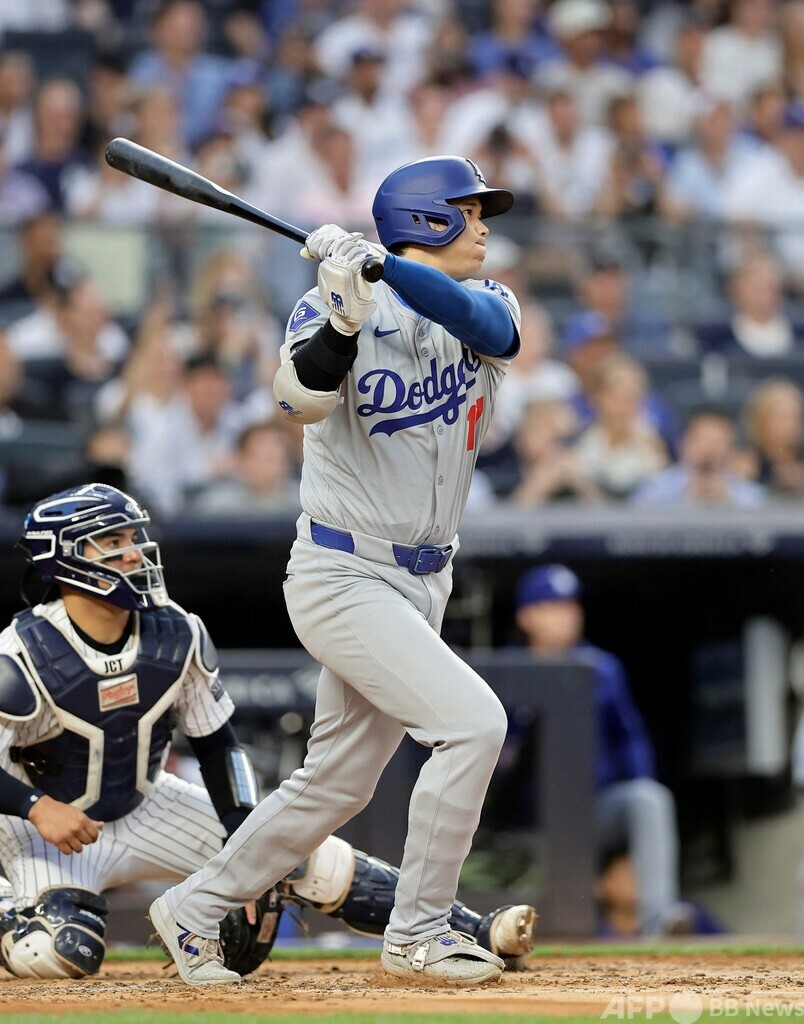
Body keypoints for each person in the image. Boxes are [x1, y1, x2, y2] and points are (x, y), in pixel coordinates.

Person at [151, 155, 523, 987]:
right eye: (468, 211)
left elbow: (486, 327)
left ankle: (194, 908)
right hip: (343, 572)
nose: (482, 226)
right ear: (428, 218)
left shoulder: (491, 301)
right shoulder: (329, 303)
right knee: (473, 726)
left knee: (336, 786)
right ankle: (418, 932)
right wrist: (345, 323)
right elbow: (298, 401)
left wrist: (383, 267)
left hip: (425, 579)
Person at [0, 482, 537, 981]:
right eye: (112, 543)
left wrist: (244, 840)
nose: (133, 553)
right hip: (41, 826)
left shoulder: (175, 630)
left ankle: (471, 928)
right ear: (63, 560)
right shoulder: (22, 651)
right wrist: (35, 806)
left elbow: (217, 745)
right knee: (58, 952)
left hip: (144, 802)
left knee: (294, 855)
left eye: (132, 538)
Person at [514, 564, 695, 936]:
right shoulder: (508, 670)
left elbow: (631, 740)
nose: (568, 615)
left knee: (648, 798)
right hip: (531, 827)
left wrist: (630, 838)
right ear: (527, 616)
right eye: (554, 606)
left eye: (571, 605)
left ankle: (660, 920)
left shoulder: (602, 668)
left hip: (594, 811)